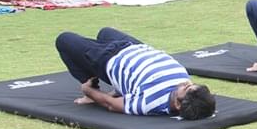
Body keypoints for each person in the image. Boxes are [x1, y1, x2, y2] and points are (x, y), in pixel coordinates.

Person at [55, 27, 215, 118]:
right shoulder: (190, 91)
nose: (186, 82)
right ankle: (119, 88)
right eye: (191, 84)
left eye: (186, 88)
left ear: (178, 105)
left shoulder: (149, 104)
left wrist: (89, 90)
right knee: (105, 32)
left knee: (64, 39)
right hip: (137, 47)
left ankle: (90, 87)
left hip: (110, 58)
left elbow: (111, 104)